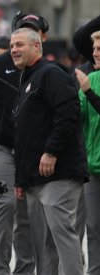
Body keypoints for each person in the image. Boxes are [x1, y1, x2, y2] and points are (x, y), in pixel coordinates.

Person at [0, 14, 51, 275]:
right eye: (20, 31)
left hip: (32, 154)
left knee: (26, 214)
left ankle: (24, 270)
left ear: (40, 39)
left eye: (31, 31)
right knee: (4, 204)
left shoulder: (49, 72)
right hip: (0, 147)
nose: (20, 41)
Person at [11, 27, 88, 275]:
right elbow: (26, 134)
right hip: (35, 176)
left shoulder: (51, 73)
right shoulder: (28, 78)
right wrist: (21, 178)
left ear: (37, 46)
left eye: (20, 44)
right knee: (44, 243)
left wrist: (52, 151)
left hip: (58, 173)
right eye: (12, 45)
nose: (14, 50)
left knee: (61, 235)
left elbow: (68, 113)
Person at [75, 30, 100, 275]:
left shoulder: (88, 85)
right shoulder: (90, 77)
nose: (95, 54)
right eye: (94, 49)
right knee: (93, 227)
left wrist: (88, 92)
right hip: (93, 167)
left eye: (99, 50)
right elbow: (77, 116)